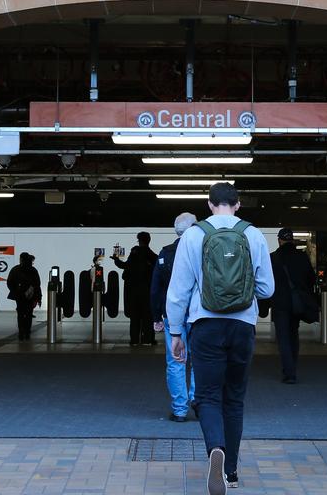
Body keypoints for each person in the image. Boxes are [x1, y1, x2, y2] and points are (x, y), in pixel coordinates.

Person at [167, 182, 274, 495]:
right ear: (238, 204)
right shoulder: (252, 234)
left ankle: (216, 449)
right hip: (242, 326)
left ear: (210, 205)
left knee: (208, 396)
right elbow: (268, 289)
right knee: (235, 399)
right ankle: (232, 471)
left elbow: (178, 291)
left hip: (205, 325)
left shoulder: (194, 235)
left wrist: (176, 332)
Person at [152, 212, 198, 422]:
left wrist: (156, 316)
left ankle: (180, 410)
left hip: (172, 314)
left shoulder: (165, 253)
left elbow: (155, 289)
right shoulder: (200, 251)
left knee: (176, 360)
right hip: (198, 314)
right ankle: (199, 402)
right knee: (199, 359)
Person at [269, 228, 315, 384]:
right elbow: (311, 279)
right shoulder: (302, 257)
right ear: (292, 240)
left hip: (279, 303)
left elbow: (267, 282)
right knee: (293, 335)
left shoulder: (273, 258)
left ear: (279, 240)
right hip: (297, 303)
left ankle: (289, 373)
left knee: (283, 338)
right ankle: (293, 366)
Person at [113, 232, 158, 345]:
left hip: (134, 290)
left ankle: (134, 339)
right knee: (148, 316)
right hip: (147, 291)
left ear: (140, 240)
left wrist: (116, 260)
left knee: (135, 316)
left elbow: (125, 266)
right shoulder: (153, 255)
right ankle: (148, 339)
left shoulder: (135, 252)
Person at [6, 252, 42, 341]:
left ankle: (21, 332)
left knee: (21, 314)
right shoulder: (33, 270)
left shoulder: (16, 269)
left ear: (21, 259)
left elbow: (9, 282)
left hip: (19, 296)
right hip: (30, 296)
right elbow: (37, 285)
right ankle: (27, 332)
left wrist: (15, 291)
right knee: (29, 314)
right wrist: (38, 297)